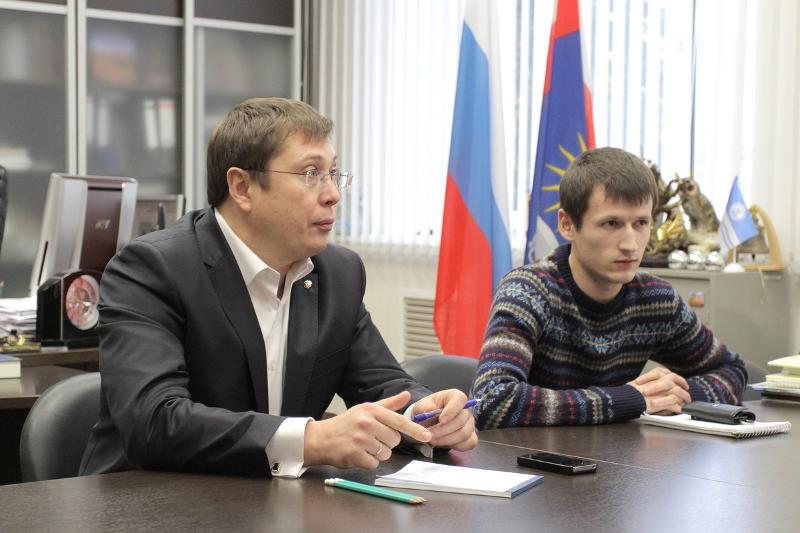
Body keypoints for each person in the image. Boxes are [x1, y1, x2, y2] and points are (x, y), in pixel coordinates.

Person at [80, 97, 477, 477]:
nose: (332, 194)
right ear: (242, 187)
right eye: (310, 174)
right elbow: (153, 421)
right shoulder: (152, 269)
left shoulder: (338, 273)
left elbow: (382, 384)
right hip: (145, 501)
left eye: (333, 174)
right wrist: (310, 440)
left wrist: (425, 415)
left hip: (271, 501)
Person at [471, 147, 747, 428]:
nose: (630, 244)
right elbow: (491, 400)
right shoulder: (528, 291)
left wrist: (674, 397)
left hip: (619, 453)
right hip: (530, 454)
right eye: (611, 223)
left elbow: (732, 370)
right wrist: (631, 400)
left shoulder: (655, 298)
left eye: (641, 223)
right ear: (567, 225)